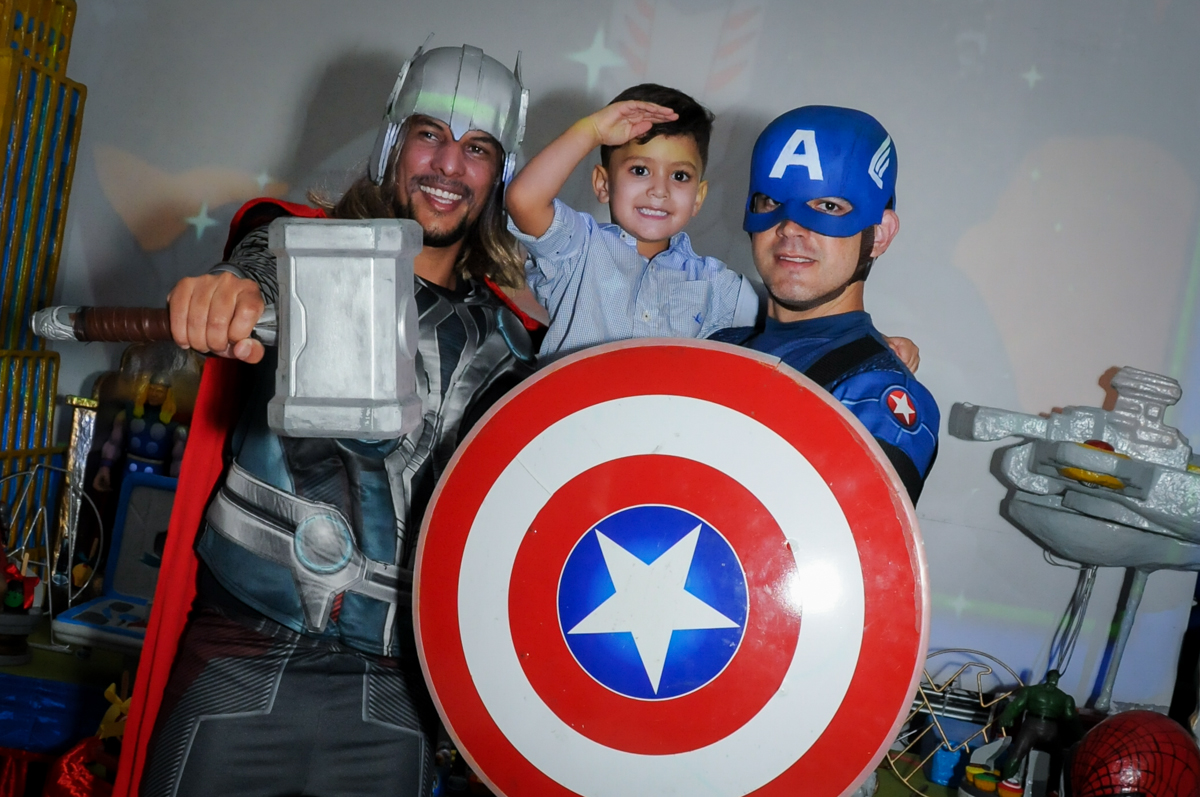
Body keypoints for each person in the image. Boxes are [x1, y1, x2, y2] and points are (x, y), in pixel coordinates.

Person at [136, 44, 538, 797]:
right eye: (431, 134)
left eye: (477, 148)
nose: (449, 165)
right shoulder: (298, 251)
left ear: (500, 172)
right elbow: (259, 265)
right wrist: (229, 292)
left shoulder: (514, 335)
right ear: (393, 142)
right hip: (244, 653)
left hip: (394, 689)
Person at [712, 106, 939, 501]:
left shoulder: (877, 391)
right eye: (770, 202)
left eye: (829, 207)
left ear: (880, 235)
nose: (790, 228)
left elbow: (848, 545)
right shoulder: (714, 347)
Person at [505, 83, 759, 361]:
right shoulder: (577, 249)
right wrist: (593, 131)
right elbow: (523, 200)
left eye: (680, 176)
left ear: (698, 197)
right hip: (572, 405)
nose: (659, 190)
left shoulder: (716, 285)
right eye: (640, 170)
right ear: (603, 183)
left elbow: (789, 317)